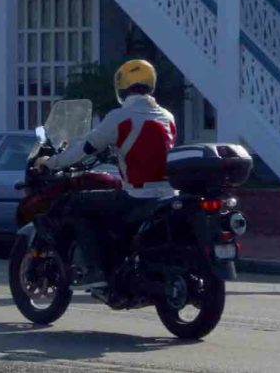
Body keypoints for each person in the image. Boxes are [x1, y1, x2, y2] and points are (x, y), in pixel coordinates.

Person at [35, 59, 176, 289]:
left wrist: (52, 163)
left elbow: (85, 147)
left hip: (137, 197)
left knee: (78, 204)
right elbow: (149, 150)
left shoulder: (120, 117)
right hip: (167, 196)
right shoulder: (168, 117)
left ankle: (95, 269)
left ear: (122, 89)